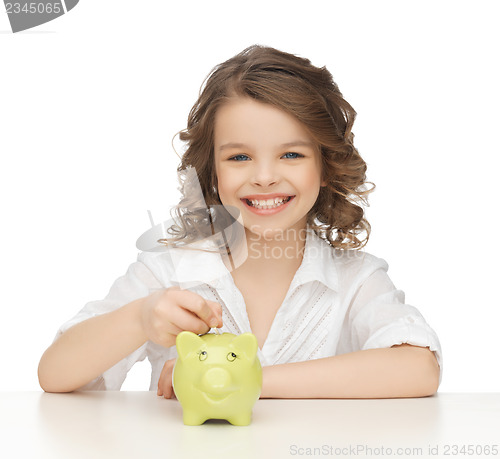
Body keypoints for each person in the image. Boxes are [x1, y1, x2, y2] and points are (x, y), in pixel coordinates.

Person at [38, 45, 442, 398]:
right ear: (211, 171)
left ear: (326, 166)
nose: (264, 176)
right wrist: (140, 317)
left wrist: (247, 378)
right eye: (239, 157)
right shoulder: (168, 274)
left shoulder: (356, 280)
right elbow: (55, 374)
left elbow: (419, 369)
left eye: (291, 155)